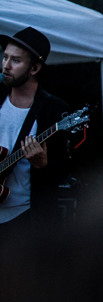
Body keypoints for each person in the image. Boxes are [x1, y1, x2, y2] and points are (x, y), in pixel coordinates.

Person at [0, 26, 70, 238]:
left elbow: (66, 168)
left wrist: (43, 164)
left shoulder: (55, 110)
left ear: (35, 68)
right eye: (5, 57)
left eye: (16, 60)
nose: (5, 66)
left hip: (23, 218)